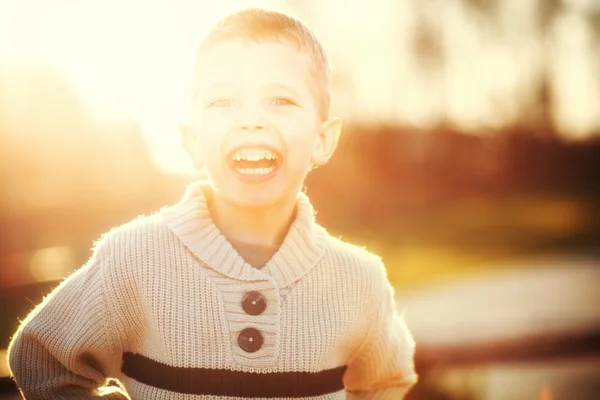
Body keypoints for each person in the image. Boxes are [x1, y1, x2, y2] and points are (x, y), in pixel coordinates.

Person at [7, 8, 417, 399]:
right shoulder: (132, 258)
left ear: (322, 140)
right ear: (192, 141)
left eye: (281, 100)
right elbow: (42, 357)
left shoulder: (360, 281)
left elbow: (387, 379)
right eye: (224, 101)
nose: (251, 120)